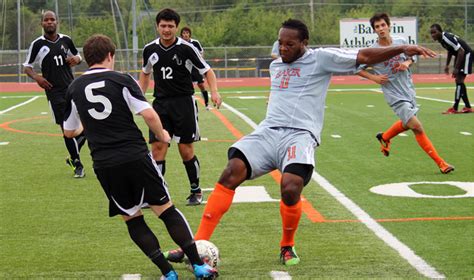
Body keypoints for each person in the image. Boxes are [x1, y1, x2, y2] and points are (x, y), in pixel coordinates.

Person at [164, 18, 438, 266]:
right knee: (230, 172)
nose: (283, 48)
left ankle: (287, 246)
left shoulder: (321, 59)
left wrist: (403, 48)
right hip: (268, 132)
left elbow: (365, 55)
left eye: (290, 44)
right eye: (280, 43)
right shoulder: (276, 64)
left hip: (300, 135)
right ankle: (195, 246)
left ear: (304, 44)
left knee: (290, 186)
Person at [63, 34, 218, 280]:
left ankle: (168, 273)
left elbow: (69, 131)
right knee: (166, 210)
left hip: (105, 163)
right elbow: (148, 113)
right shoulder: (121, 79)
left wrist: (89, 126)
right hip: (135, 155)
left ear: (87, 58)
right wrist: (163, 135)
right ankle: (199, 266)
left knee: (133, 219)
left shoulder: (74, 87)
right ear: (110, 56)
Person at [139, 8, 222, 206]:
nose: (166, 30)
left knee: (185, 149)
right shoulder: (149, 49)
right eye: (163, 26)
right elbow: (145, 73)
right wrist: (138, 97)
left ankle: (196, 190)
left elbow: (207, 71)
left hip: (184, 103)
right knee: (158, 149)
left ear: (176, 27)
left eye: (170, 26)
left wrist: (215, 92)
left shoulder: (187, 48)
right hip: (160, 104)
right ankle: (156, 193)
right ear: (157, 26)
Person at [357, 13, 454, 174]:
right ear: (374, 30)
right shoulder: (372, 50)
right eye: (377, 27)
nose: (381, 29)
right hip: (394, 94)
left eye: (383, 25)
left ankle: (385, 137)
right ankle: (441, 163)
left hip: (408, 89)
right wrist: (374, 77)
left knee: (408, 123)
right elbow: (356, 69)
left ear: (389, 26)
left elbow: (412, 57)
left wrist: (406, 63)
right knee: (417, 126)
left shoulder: (401, 42)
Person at [23, 10, 86, 178]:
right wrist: (37, 78)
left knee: (86, 125)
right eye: (46, 20)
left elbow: (78, 56)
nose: (49, 22)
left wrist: (77, 60)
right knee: (66, 129)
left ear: (57, 22)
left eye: (52, 20)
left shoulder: (66, 40)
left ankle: (73, 155)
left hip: (72, 88)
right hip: (54, 92)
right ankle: (77, 164)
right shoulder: (38, 44)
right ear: (42, 24)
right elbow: (27, 66)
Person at [430, 23, 473, 114]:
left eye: (434, 32)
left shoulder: (446, 38)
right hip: (460, 56)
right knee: (459, 81)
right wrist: (447, 65)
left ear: (440, 32)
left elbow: (461, 51)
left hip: (466, 55)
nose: (432, 35)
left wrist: (456, 68)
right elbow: (450, 50)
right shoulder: (441, 40)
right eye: (431, 33)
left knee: (459, 80)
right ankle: (468, 107)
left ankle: (455, 108)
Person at [180, 26, 211, 110]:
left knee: (201, 85)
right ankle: (188, 104)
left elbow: (201, 52)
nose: (185, 35)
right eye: (184, 33)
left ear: (189, 34)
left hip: (195, 68)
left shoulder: (195, 42)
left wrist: (199, 62)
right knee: (187, 86)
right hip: (185, 69)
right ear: (181, 35)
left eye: (187, 33)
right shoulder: (180, 43)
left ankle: (207, 103)